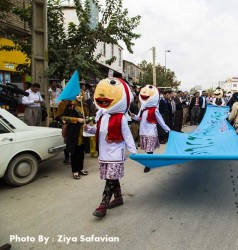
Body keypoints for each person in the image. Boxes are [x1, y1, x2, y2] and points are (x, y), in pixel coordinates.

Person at [84, 77, 137, 218]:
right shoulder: (103, 116)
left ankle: (103, 205)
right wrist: (88, 128)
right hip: (104, 153)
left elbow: (128, 136)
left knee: (110, 179)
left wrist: (133, 151)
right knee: (112, 177)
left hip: (116, 153)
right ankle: (118, 198)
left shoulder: (121, 118)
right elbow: (98, 131)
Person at [131, 85, 171, 173]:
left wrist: (168, 130)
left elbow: (161, 121)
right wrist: (133, 116)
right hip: (143, 132)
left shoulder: (154, 110)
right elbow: (138, 118)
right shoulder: (143, 108)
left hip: (151, 132)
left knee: (149, 150)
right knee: (147, 150)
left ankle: (148, 165)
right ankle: (151, 161)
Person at [63, 94, 89, 179]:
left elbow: (87, 116)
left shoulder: (84, 105)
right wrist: (76, 119)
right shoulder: (70, 106)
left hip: (82, 132)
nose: (79, 96)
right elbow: (65, 118)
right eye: (77, 95)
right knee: (74, 152)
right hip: (73, 132)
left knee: (81, 152)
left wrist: (87, 120)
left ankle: (81, 168)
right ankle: (75, 171)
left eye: (81, 94)